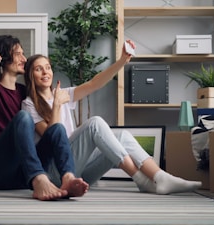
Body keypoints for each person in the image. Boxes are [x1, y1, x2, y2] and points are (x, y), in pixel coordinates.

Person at [21, 41, 202, 195]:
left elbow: (95, 83)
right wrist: (57, 106)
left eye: (48, 67)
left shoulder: (63, 93)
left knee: (122, 136)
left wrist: (122, 61)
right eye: (38, 69)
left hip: (80, 172)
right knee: (95, 123)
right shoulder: (29, 104)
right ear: (31, 75)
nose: (45, 72)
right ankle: (141, 180)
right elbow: (53, 138)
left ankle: (159, 176)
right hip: (56, 172)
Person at [0, 35, 88, 201]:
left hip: (23, 172)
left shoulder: (25, 93)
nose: (24, 58)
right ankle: (39, 179)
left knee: (56, 128)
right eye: (18, 54)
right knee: (23, 117)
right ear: (3, 58)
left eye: (23, 53)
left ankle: (68, 178)